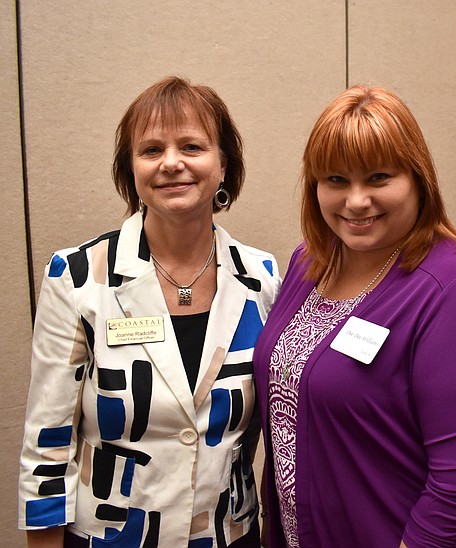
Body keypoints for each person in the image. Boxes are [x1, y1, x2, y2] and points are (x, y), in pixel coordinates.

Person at [18, 76, 281, 547]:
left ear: (224, 165)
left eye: (192, 146)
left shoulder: (261, 277)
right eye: (151, 149)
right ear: (131, 170)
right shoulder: (78, 276)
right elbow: (47, 439)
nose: (172, 163)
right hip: (110, 537)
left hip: (229, 535)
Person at [252, 84, 456, 547]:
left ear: (418, 179)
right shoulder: (308, 263)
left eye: (377, 178)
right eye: (335, 180)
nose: (356, 201)